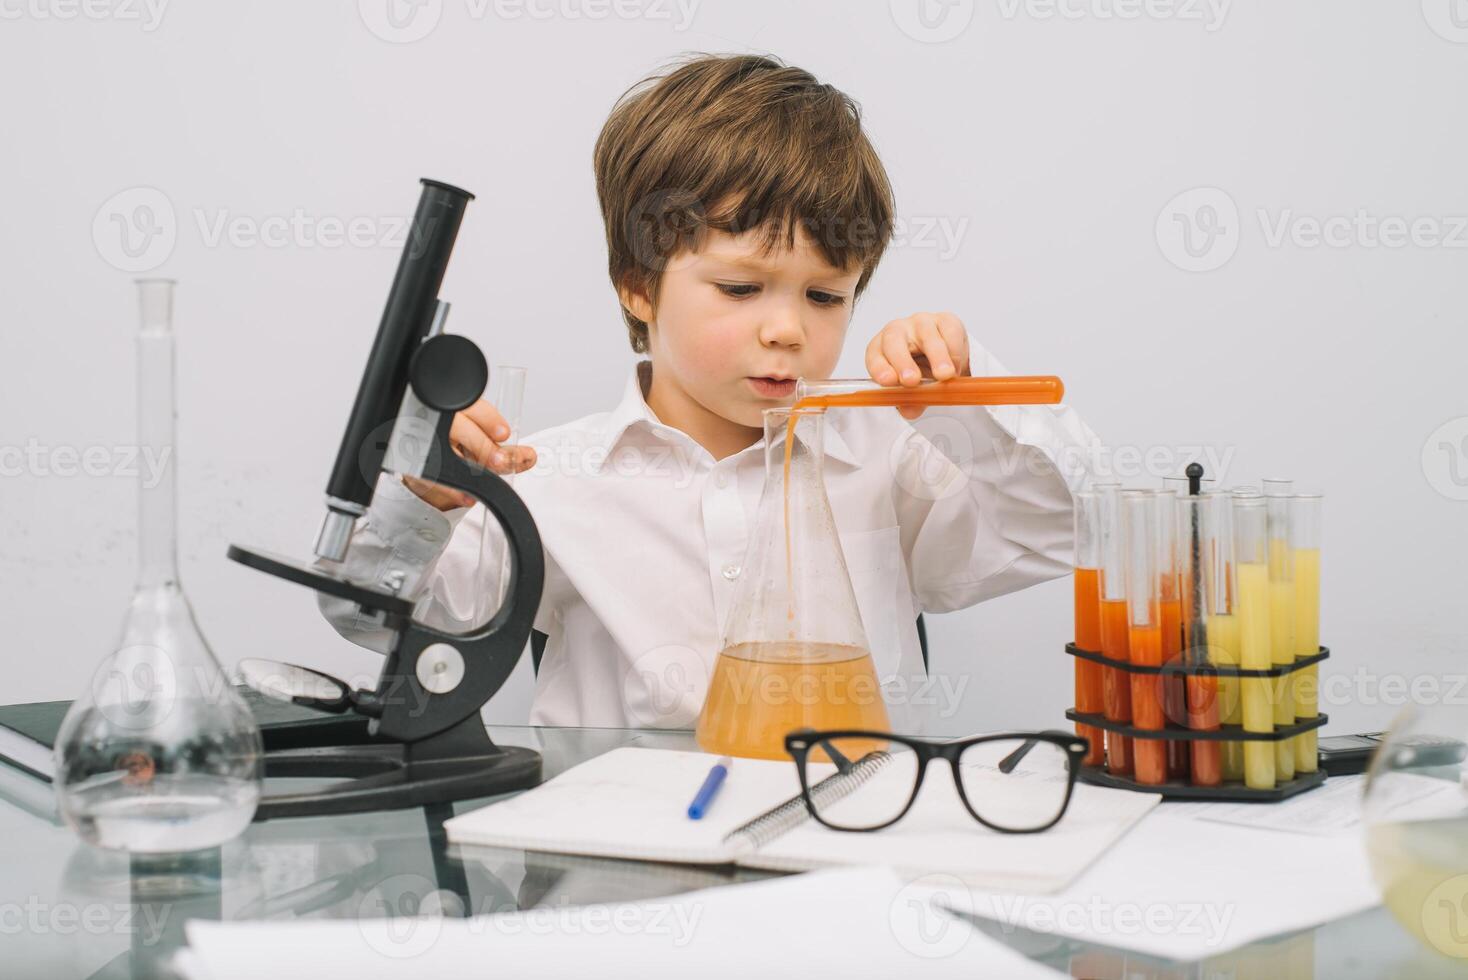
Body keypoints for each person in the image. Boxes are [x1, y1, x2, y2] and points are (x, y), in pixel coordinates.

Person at [318, 53, 1102, 733]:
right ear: (639, 287)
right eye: (739, 287)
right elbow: (368, 616)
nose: (789, 330)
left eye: (826, 297)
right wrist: (424, 501)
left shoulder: (888, 459)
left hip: (846, 855)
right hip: (623, 869)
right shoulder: (547, 478)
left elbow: (1068, 525)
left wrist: (960, 403)